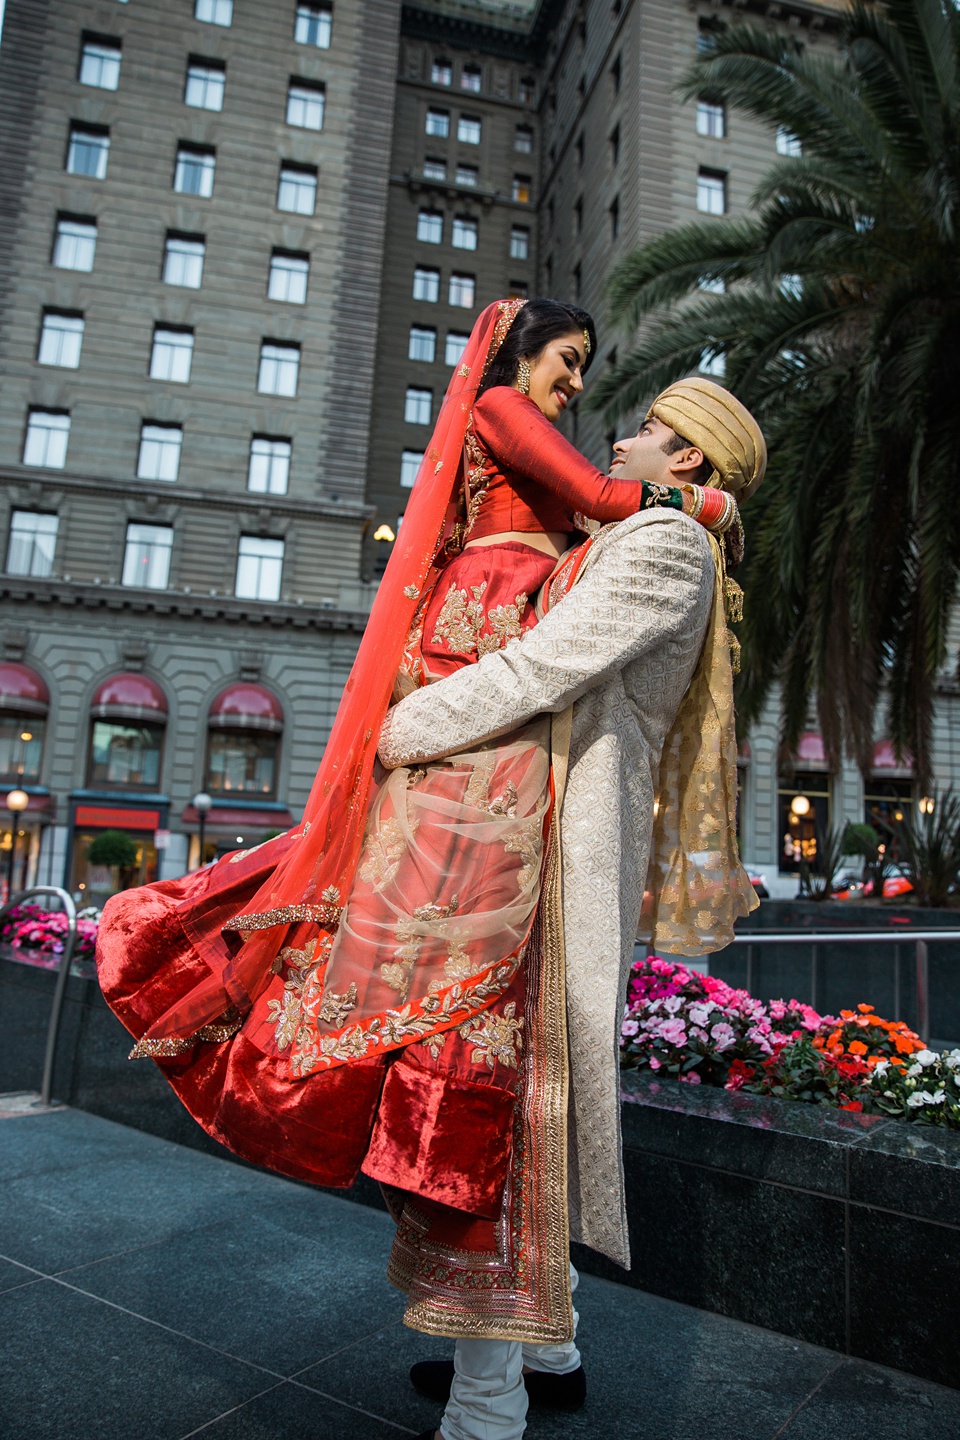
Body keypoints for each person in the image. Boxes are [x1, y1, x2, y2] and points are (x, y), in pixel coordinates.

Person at [376, 374, 767, 1440]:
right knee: (518, 1101)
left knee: (505, 1108)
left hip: (554, 843)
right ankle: (547, 1355)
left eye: (645, 430)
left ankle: (487, 1407)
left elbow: (542, 665)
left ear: (687, 458)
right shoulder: (665, 537)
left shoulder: (664, 547)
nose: (622, 440)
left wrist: (400, 725)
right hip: (546, 829)